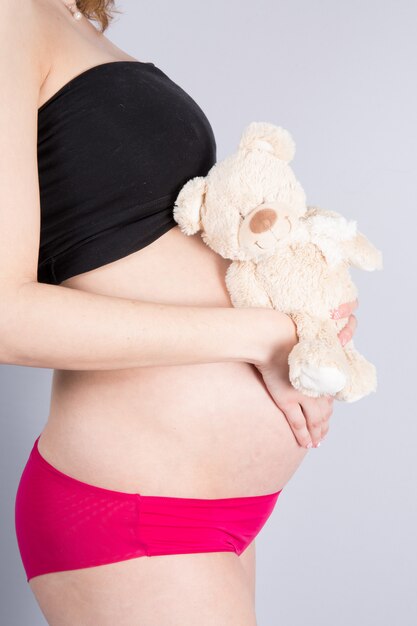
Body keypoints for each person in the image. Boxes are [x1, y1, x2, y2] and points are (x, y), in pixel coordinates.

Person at [1, 1, 358, 624]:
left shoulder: (66, 20)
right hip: (133, 510)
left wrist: (300, 306)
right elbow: (6, 315)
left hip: (197, 507)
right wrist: (262, 334)